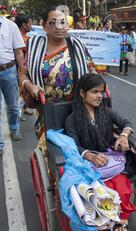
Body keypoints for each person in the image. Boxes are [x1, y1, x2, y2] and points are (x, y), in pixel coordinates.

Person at [65, 74, 136, 231]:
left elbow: (126, 122)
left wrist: (124, 136)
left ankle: (122, 217)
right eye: (94, 92)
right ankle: (106, 223)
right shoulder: (72, 119)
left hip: (110, 158)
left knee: (121, 186)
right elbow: (73, 145)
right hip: (89, 164)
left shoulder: (106, 112)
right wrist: (89, 155)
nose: (99, 96)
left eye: (101, 92)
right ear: (82, 93)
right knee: (100, 192)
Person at [19, 6, 94, 154]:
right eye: (53, 23)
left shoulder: (77, 46)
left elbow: (92, 74)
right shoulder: (34, 47)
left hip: (77, 110)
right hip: (47, 112)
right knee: (53, 154)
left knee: (79, 151)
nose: (59, 27)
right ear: (44, 25)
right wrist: (30, 86)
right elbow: (22, 74)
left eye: (62, 22)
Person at [0, 10, 26, 156]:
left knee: (13, 105)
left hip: (9, 70)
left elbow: (18, 52)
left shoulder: (10, 26)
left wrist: (21, 72)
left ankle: (14, 127)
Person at [15, 13, 34, 119]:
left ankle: (24, 108)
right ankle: (16, 116)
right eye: (30, 24)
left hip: (26, 70)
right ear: (24, 25)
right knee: (19, 92)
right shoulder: (18, 38)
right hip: (19, 71)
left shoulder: (28, 38)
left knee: (25, 92)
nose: (32, 26)